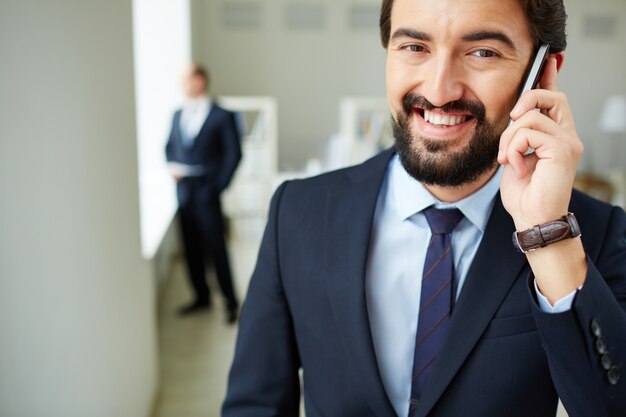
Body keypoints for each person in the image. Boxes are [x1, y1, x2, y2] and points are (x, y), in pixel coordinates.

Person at [223, 0, 626, 415]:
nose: (438, 91)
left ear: (542, 74)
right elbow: (254, 406)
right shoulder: (299, 213)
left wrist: (547, 236)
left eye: (482, 52)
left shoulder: (590, 235)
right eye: (415, 47)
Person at [165, 63, 241, 323]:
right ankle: (201, 296)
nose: (182, 85)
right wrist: (171, 166)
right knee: (190, 247)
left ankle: (231, 301)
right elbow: (168, 146)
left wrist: (217, 186)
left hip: (208, 189)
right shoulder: (177, 114)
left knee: (216, 247)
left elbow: (234, 154)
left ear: (200, 81)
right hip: (183, 189)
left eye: (186, 79)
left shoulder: (222, 115)